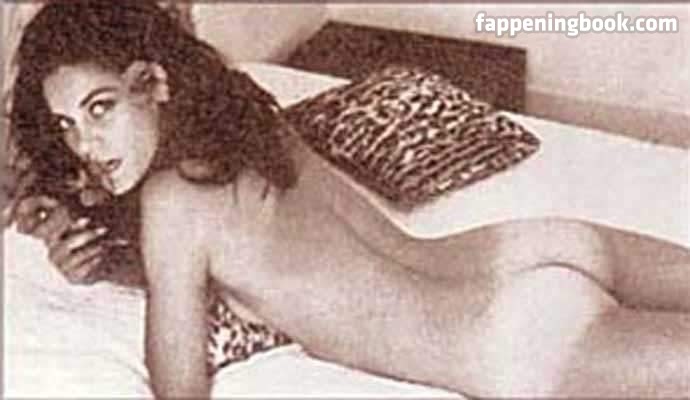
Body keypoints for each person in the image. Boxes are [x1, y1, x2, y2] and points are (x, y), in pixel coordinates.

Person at [7, 0, 689, 398]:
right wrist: (113, 250)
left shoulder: (172, 207)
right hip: (531, 246)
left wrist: (127, 261)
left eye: (100, 109)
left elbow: (178, 387)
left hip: (508, 337)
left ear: (152, 82)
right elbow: (276, 257)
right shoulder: (253, 120)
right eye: (65, 125)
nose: (85, 144)